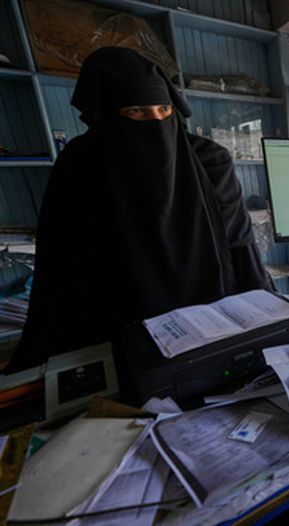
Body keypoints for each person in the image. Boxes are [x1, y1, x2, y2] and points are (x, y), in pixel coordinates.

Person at [10, 47, 274, 372]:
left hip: (215, 328)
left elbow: (241, 248)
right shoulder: (81, 165)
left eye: (164, 109)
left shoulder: (210, 161)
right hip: (121, 330)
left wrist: (272, 325)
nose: (156, 121)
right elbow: (61, 269)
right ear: (107, 114)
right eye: (137, 111)